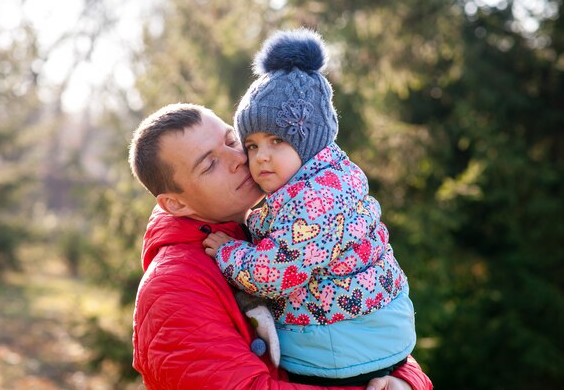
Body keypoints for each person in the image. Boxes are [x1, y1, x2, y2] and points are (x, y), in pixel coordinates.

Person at [128, 101, 433, 390]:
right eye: (210, 165)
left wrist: (405, 379)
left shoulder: (280, 231)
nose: (240, 160)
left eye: (232, 141)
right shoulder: (172, 288)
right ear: (175, 203)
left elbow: (355, 340)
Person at [202, 29, 416, 385]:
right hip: (372, 334)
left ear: (311, 141)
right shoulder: (331, 177)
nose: (262, 157)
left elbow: (274, 272)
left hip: (344, 348)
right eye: (252, 145)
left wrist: (229, 253)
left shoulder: (315, 202)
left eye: (277, 141)